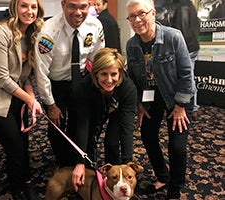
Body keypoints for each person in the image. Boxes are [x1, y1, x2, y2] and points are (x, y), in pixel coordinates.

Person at [125, 0, 196, 199]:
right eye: (132, 16)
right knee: (147, 136)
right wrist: (139, 103)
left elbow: (186, 74)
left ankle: (175, 187)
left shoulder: (174, 37)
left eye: (142, 14)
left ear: (153, 13)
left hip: (179, 95)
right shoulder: (131, 45)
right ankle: (163, 177)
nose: (137, 20)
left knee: (176, 146)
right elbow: (132, 78)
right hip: (151, 96)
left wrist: (181, 106)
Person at [0, 0, 44, 199]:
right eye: (24, 6)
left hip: (17, 96)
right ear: (15, 7)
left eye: (33, 7)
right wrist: (31, 101)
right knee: (14, 146)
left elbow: (25, 75)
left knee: (23, 143)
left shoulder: (32, 34)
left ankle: (27, 180)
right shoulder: (0, 32)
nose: (29, 11)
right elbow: (2, 78)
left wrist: (30, 95)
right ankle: (17, 188)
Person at [34, 0, 104, 168]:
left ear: (89, 5)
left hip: (81, 80)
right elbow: (41, 73)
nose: (78, 12)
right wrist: (51, 105)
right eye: (72, 6)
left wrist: (97, 85)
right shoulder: (48, 32)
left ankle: (80, 159)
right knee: (57, 126)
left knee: (81, 120)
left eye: (83, 7)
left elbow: (98, 57)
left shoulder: (95, 25)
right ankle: (64, 164)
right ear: (63, 4)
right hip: (56, 84)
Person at [71, 47, 137, 191]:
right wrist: (80, 162)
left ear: (120, 73)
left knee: (112, 141)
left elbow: (127, 127)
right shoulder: (82, 88)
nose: (109, 80)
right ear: (96, 74)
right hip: (92, 107)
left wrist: (127, 162)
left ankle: (113, 179)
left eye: (114, 74)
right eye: (104, 74)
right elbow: (83, 125)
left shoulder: (128, 88)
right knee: (89, 140)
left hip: (116, 110)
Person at [155, 0, 200, 119]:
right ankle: (192, 106)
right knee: (189, 75)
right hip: (192, 45)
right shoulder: (187, 4)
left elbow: (181, 30)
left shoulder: (182, 7)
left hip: (186, 47)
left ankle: (192, 107)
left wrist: (178, 47)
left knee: (187, 76)